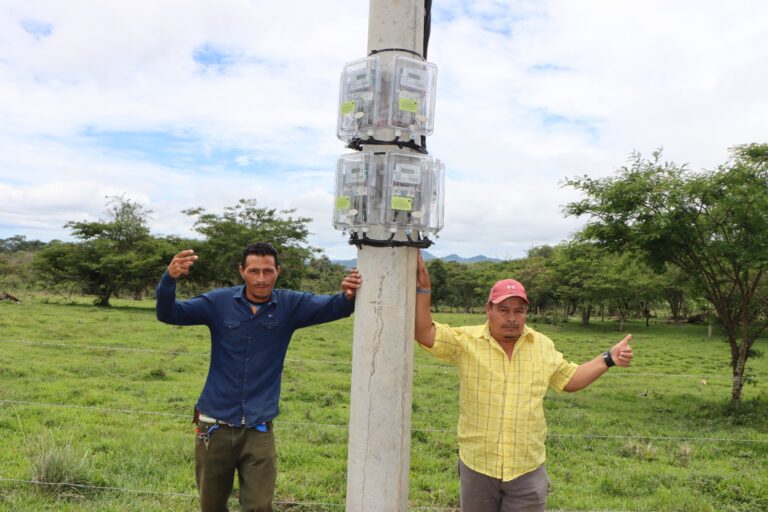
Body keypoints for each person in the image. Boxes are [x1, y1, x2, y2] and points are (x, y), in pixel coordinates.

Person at [414, 251, 633, 512]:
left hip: (526, 468)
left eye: (519, 310)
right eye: (504, 310)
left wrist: (608, 358)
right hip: (479, 465)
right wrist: (424, 291)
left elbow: (570, 379)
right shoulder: (466, 341)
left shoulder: (542, 345)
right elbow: (424, 332)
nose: (512, 317)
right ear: (488, 310)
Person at [156, 242, 361, 512]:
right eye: (254, 271)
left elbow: (335, 307)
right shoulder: (219, 302)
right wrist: (169, 279)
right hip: (212, 425)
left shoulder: (291, 305)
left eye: (268, 271)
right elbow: (169, 313)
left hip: (259, 426)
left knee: (259, 507)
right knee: (211, 505)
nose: (261, 279)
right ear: (242, 271)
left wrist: (347, 295)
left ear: (278, 271)